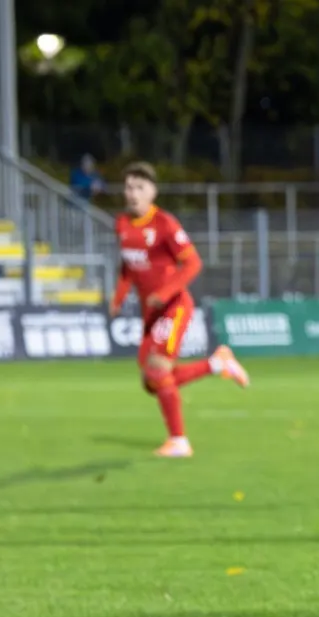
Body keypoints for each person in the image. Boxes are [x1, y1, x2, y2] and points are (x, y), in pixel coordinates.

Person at [112, 162, 250, 458]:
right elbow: (127, 266)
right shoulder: (122, 224)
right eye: (128, 187)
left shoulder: (164, 224)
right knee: (152, 381)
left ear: (153, 191)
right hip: (151, 314)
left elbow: (193, 263)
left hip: (173, 307)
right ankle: (217, 364)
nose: (133, 193)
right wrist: (118, 297)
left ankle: (179, 441)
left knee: (159, 368)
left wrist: (163, 293)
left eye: (140, 187)